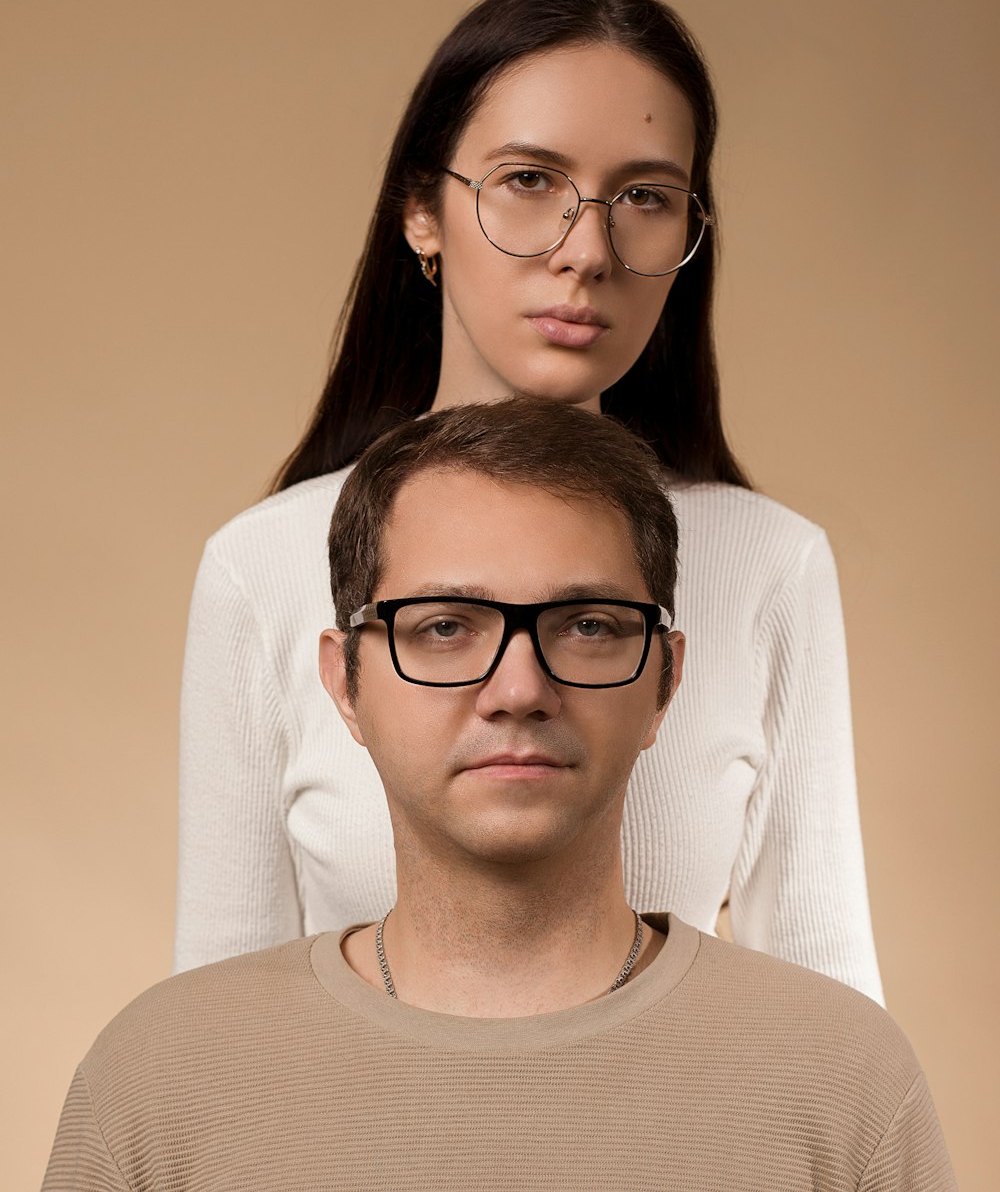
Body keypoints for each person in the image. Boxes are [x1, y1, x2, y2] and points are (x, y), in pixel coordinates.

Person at [175, 0, 884, 1001]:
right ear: (422, 210)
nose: (586, 251)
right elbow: (216, 1028)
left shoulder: (766, 564)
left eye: (644, 197)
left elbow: (835, 1017)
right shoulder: (263, 568)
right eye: (528, 181)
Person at [47, 401, 951, 1190]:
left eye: (588, 625)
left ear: (665, 681)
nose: (518, 688)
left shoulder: (847, 1083)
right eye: (445, 627)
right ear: (345, 683)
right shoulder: (158, 1082)